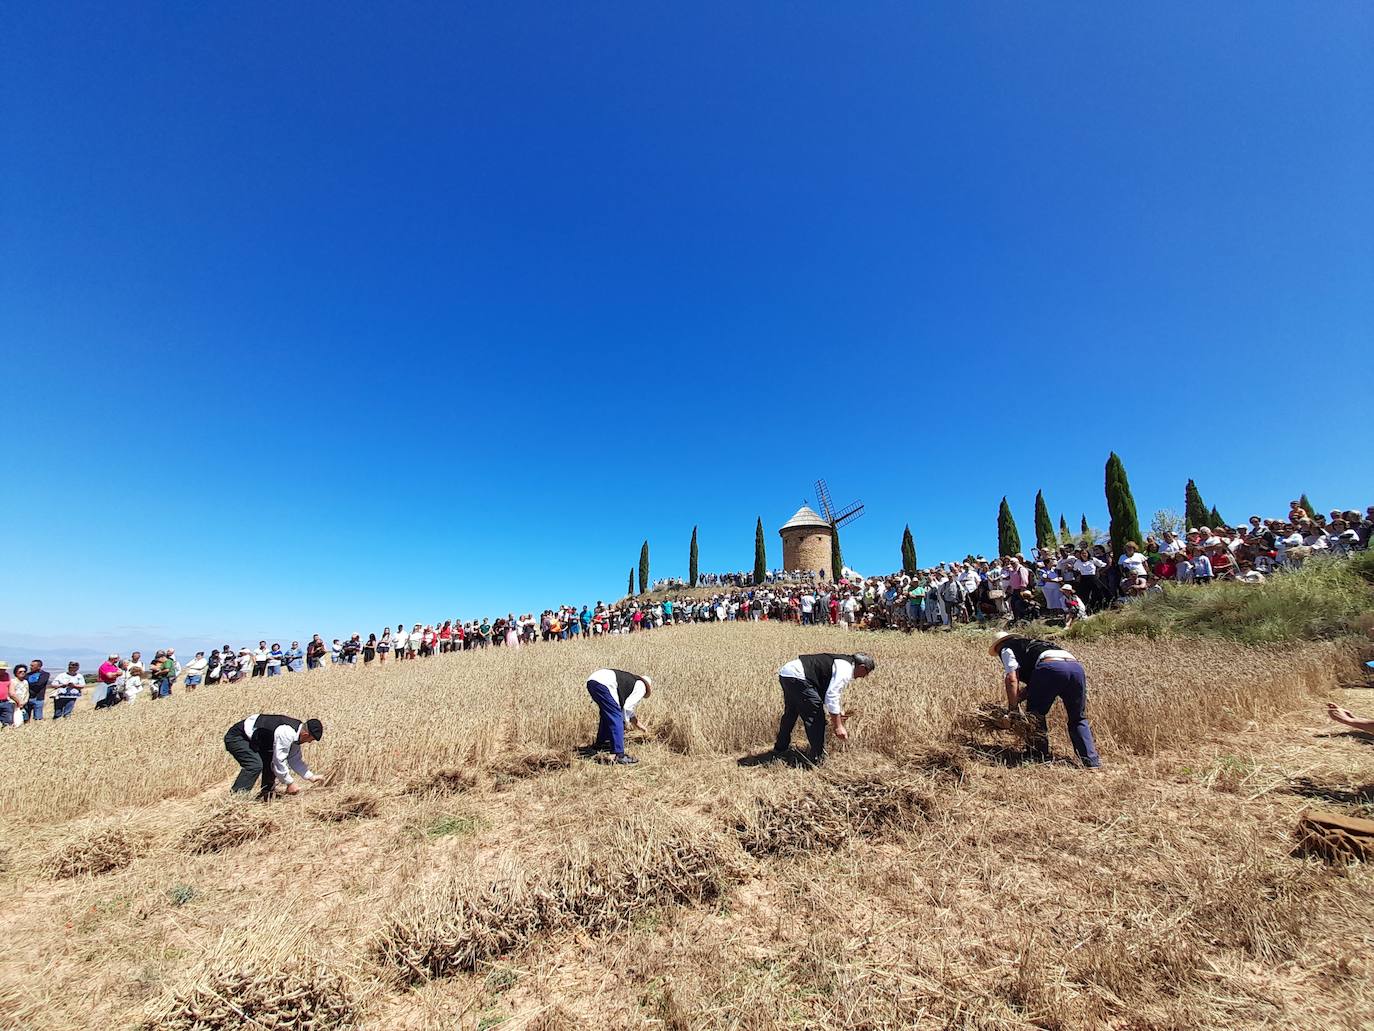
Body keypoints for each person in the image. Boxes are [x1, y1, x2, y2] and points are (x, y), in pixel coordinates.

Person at [989, 631, 1101, 769]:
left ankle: (1038, 755)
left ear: (998, 646)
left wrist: (1012, 709)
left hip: (1049, 668)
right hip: (1076, 668)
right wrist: (1020, 697)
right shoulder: (1033, 645)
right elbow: (1037, 682)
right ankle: (1090, 761)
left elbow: (1011, 678)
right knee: (1078, 717)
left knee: (1034, 715)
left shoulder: (1006, 648)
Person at [773, 652, 877, 764]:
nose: (864, 677)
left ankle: (780, 749)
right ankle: (817, 759)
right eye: (866, 672)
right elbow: (832, 695)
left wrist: (837, 713)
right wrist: (838, 726)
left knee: (791, 713)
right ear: (862, 667)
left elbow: (823, 690)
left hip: (788, 674)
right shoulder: (845, 669)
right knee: (816, 719)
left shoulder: (843, 662)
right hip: (799, 677)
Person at [223, 713, 325, 799]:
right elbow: (279, 761)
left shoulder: (297, 734)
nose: (309, 742)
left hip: (258, 740)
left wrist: (310, 777)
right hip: (238, 737)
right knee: (254, 765)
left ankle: (267, 795)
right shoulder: (287, 732)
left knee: (270, 758)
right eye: (311, 739)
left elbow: (294, 759)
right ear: (305, 735)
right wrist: (290, 783)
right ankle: (236, 798)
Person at [584, 667, 653, 765]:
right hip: (602, 684)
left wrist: (639, 725)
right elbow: (627, 708)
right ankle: (619, 755)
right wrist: (625, 723)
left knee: (606, 714)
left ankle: (600, 744)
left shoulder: (631, 682)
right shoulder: (641, 687)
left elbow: (626, 709)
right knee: (616, 715)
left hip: (592, 681)